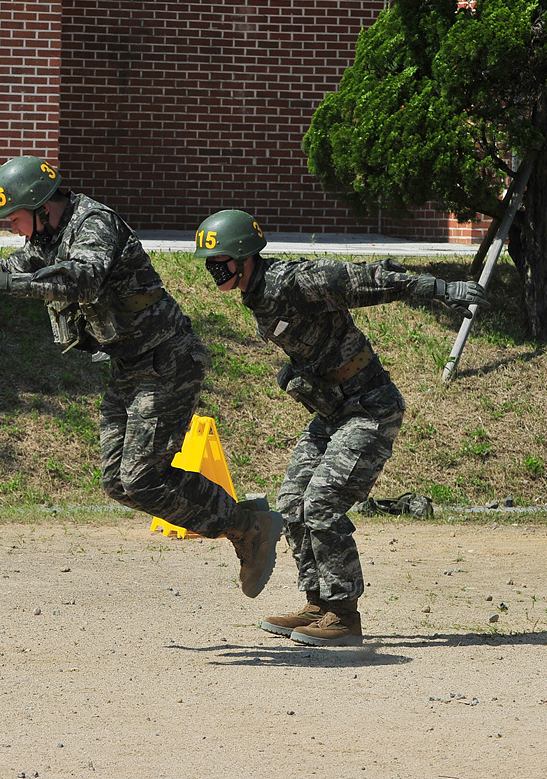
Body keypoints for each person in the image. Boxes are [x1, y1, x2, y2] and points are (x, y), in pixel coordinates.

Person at [0, 157, 284, 597]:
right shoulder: (50, 235)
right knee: (118, 482)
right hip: (129, 365)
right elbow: (16, 267)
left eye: (15, 219)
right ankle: (244, 524)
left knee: (142, 477)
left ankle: (247, 525)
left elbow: (81, 278)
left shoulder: (93, 222)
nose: (13, 229)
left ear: (41, 206)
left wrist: (2, 285)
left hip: (166, 358)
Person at [191, 208, 488, 645]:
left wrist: (441, 289)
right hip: (333, 412)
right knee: (292, 503)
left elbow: (367, 279)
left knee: (322, 501)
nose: (214, 271)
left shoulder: (294, 283)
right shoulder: (256, 296)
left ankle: (345, 615)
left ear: (244, 256)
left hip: (370, 407)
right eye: (208, 265)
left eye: (220, 263)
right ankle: (318, 604)